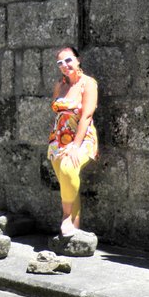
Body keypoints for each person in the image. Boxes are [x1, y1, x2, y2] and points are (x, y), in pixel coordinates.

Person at [47, 46, 98, 236]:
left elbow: (86, 115)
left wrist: (75, 146)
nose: (64, 65)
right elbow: (57, 111)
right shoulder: (60, 86)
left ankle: (66, 216)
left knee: (69, 169)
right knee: (67, 182)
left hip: (81, 138)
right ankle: (73, 234)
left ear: (78, 60)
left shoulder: (88, 84)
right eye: (60, 63)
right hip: (58, 139)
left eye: (68, 60)